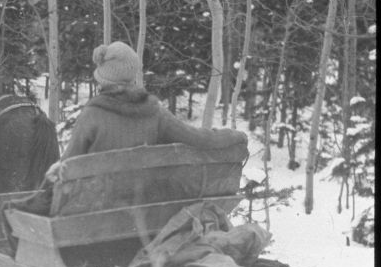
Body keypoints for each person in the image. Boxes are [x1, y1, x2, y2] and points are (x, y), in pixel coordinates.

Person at [45, 41, 247, 181]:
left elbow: (67, 166)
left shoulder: (92, 115)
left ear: (102, 78)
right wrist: (235, 135)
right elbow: (200, 139)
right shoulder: (155, 112)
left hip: (96, 207)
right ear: (133, 76)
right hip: (144, 206)